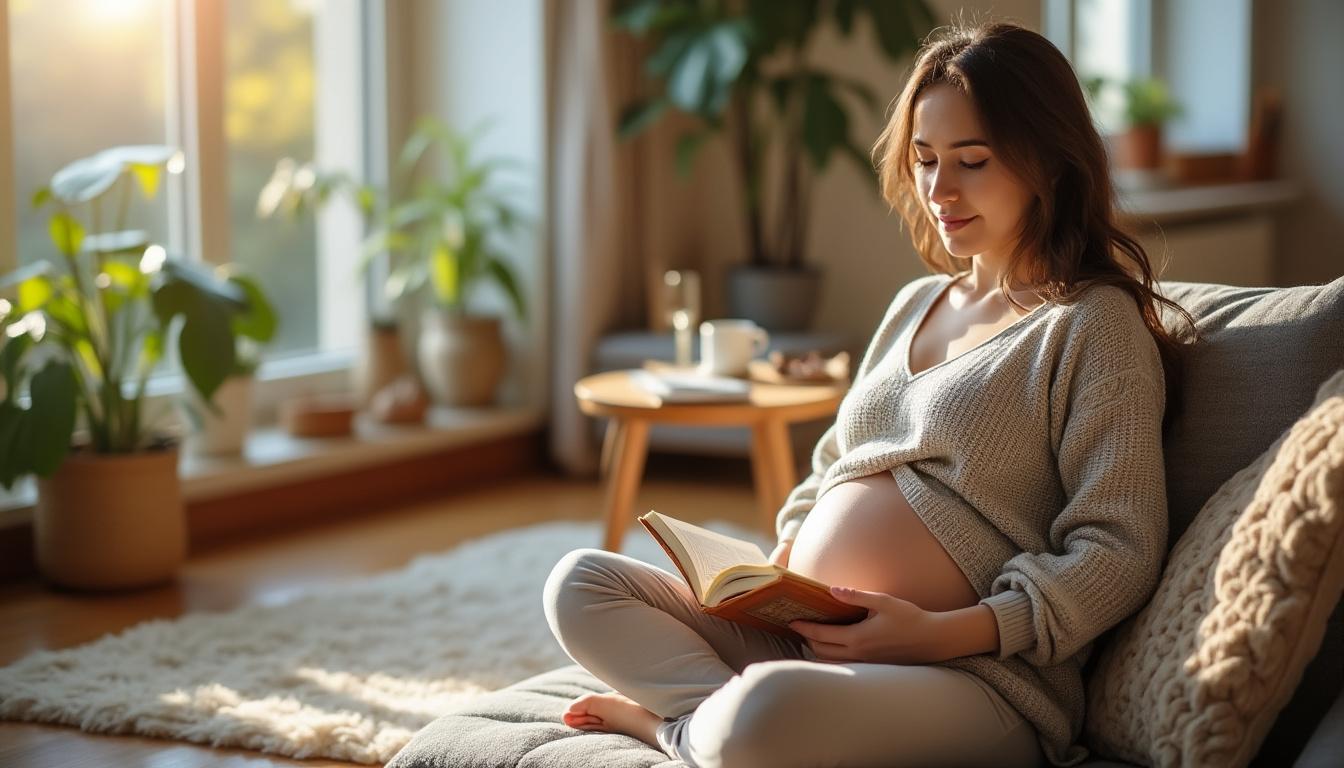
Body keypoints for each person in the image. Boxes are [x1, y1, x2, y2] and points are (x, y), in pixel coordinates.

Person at [543, 20, 1199, 768]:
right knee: (580, 582)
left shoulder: (1091, 326)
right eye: (925, 159)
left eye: (972, 161)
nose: (939, 190)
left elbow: (1118, 551)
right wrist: (781, 563)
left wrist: (937, 633)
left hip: (971, 675)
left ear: (1048, 161)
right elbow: (833, 463)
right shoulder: (914, 303)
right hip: (802, 635)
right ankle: (724, 723)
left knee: (766, 710)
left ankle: (677, 729)